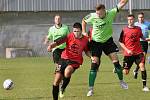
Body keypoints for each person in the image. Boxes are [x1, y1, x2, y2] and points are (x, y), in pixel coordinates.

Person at [82, 0, 129, 96]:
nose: (98, 15)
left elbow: (122, 3)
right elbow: (83, 20)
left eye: (100, 14)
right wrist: (83, 31)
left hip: (108, 41)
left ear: (104, 11)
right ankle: (90, 89)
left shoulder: (111, 12)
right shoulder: (93, 16)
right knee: (94, 65)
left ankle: (121, 82)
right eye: (97, 13)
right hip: (95, 43)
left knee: (116, 63)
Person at [47, 22, 91, 100]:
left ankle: (63, 88)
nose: (76, 33)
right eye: (74, 31)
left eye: (77, 31)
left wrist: (91, 57)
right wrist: (50, 46)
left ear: (81, 31)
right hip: (64, 59)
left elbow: (87, 51)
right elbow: (58, 42)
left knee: (67, 71)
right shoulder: (69, 36)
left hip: (75, 61)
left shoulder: (85, 40)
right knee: (56, 81)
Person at [119, 14, 150, 92]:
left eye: (131, 19)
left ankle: (144, 86)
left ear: (134, 20)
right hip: (128, 54)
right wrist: (127, 50)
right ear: (127, 20)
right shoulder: (124, 30)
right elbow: (121, 42)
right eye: (129, 19)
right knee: (125, 72)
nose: (130, 21)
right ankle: (119, 67)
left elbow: (142, 37)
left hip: (138, 52)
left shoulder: (138, 29)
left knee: (142, 66)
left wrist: (147, 39)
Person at [44, 14, 70, 98]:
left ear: (61, 19)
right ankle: (60, 81)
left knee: (64, 67)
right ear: (54, 20)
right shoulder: (51, 29)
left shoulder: (65, 28)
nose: (58, 20)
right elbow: (48, 37)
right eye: (56, 19)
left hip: (65, 50)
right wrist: (47, 42)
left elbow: (70, 38)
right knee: (59, 66)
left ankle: (62, 81)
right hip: (56, 50)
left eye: (59, 18)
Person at [133, 12, 150, 79]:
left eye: (142, 17)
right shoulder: (135, 24)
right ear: (138, 18)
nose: (141, 18)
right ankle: (136, 70)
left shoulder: (148, 24)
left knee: (143, 59)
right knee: (139, 59)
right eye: (139, 17)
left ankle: (136, 70)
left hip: (144, 42)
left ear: (144, 17)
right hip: (137, 42)